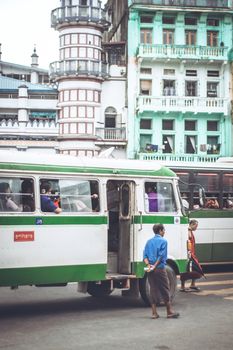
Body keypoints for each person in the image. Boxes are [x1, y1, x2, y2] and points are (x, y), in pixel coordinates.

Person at [143, 223, 180, 319]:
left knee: (153, 289)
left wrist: (149, 265)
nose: (164, 232)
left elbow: (145, 256)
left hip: (150, 269)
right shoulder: (163, 241)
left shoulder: (148, 242)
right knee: (165, 288)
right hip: (159, 268)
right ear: (160, 231)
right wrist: (155, 266)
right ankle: (169, 311)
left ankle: (154, 313)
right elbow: (161, 255)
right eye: (163, 230)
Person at [180, 219, 203, 292]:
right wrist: (188, 229)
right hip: (189, 254)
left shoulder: (189, 231)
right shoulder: (188, 231)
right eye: (196, 226)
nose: (196, 228)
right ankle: (182, 286)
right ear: (192, 224)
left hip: (192, 254)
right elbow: (188, 239)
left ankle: (192, 284)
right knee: (187, 270)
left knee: (195, 269)